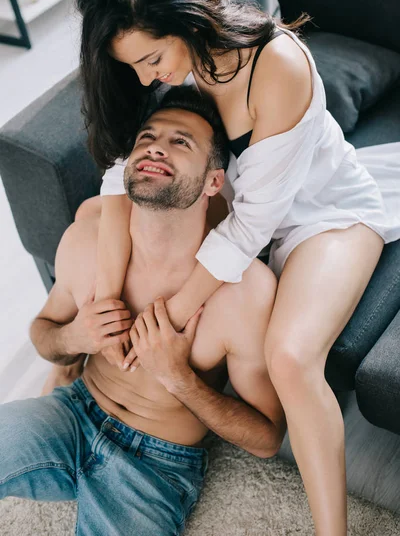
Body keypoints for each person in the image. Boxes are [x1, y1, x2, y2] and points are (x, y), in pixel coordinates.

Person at [45, 0, 400, 535]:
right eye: (132, 65)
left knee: (291, 358)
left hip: (319, 217)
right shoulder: (167, 67)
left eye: (151, 58)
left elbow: (252, 225)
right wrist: (107, 305)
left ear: (187, 19)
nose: (145, 76)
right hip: (232, 218)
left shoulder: (275, 65)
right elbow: (117, 177)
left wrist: (166, 319)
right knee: (92, 217)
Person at [0, 88, 286, 535]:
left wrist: (180, 379)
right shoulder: (89, 236)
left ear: (213, 182)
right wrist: (76, 338)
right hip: (72, 414)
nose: (155, 145)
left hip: (157, 461)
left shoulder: (243, 290)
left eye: (181, 142)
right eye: (146, 138)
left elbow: (268, 439)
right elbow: (43, 332)